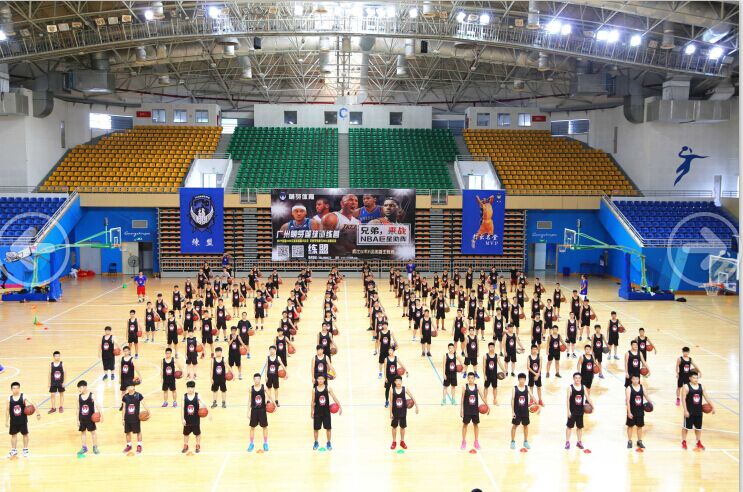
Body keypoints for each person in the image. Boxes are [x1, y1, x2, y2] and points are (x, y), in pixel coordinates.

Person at [681, 371, 714, 450]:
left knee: (698, 428)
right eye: (694, 378)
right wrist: (685, 410)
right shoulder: (686, 387)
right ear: (690, 378)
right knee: (686, 428)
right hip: (689, 411)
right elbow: (683, 399)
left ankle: (698, 442)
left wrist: (713, 406)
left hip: (699, 411)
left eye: (697, 378)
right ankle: (684, 441)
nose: (696, 379)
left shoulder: (701, 386)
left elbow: (707, 397)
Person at [6, 382, 41, 458]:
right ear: (11, 389)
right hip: (13, 421)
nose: (15, 389)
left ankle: (25, 449)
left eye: (17, 388)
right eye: (14, 388)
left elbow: (33, 403)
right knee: (13, 435)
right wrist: (6, 421)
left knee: (25, 434)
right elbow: (7, 410)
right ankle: (14, 450)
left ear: (19, 388)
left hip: (22, 420)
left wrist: (38, 413)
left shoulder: (23, 396)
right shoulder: (9, 398)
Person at [311, 374, 342, 451]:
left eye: (322, 379)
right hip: (317, 412)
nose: (320, 380)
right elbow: (312, 401)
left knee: (328, 428)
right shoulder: (314, 390)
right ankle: (316, 442)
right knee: (316, 429)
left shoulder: (328, 388)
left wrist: (340, 406)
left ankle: (328, 442)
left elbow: (334, 397)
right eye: (319, 379)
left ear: (324, 380)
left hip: (326, 412)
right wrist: (312, 411)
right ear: (317, 380)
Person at [460, 372, 488, 450]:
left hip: (475, 410)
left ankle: (476, 442)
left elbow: (482, 397)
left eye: (472, 378)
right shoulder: (465, 387)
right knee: (465, 425)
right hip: (467, 410)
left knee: (476, 425)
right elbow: (462, 399)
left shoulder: (477, 387)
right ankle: (463, 441)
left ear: (474, 379)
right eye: (469, 378)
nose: (470, 379)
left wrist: (487, 405)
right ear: (467, 379)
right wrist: (461, 410)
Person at [389, 376, 419, 450]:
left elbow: (412, 397)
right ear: (395, 382)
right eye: (397, 381)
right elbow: (391, 402)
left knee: (402, 427)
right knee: (394, 427)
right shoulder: (392, 390)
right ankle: (394, 442)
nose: (398, 382)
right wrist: (390, 413)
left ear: (401, 382)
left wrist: (416, 406)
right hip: (395, 411)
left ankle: (402, 441)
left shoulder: (405, 389)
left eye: (400, 381)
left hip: (403, 411)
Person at [565, 372, 592, 450]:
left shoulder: (583, 387)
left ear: (581, 379)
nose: (577, 379)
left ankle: (579, 442)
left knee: (579, 427)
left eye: (579, 378)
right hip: (572, 411)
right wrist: (568, 411)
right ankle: (567, 442)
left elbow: (588, 397)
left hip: (580, 411)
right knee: (569, 427)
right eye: (576, 378)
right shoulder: (570, 388)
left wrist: (592, 406)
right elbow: (567, 400)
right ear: (573, 379)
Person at [626, 374, 653, 449]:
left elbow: (646, 396)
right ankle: (629, 441)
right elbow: (627, 401)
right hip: (632, 410)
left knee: (640, 426)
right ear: (631, 380)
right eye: (634, 379)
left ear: (639, 379)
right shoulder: (629, 388)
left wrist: (651, 403)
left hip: (640, 410)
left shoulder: (642, 387)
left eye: (637, 379)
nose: (635, 380)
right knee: (630, 426)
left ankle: (639, 441)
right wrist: (629, 412)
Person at [510, 373, 537, 450]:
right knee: (514, 426)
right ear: (518, 380)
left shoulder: (527, 388)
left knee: (525, 426)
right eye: (520, 379)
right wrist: (512, 411)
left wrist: (537, 403)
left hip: (525, 411)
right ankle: (512, 441)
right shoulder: (514, 388)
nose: (522, 380)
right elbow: (512, 399)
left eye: (523, 379)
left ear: (525, 380)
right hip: (517, 411)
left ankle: (525, 441)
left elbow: (532, 396)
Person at [182, 380, 209, 453]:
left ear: (194, 388)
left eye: (191, 388)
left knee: (197, 433)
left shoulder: (198, 396)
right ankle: (185, 445)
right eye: (188, 388)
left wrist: (206, 409)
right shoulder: (184, 396)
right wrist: (182, 419)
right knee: (186, 433)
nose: (190, 389)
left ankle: (198, 445)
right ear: (187, 388)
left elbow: (204, 404)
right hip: (187, 419)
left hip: (195, 419)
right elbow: (182, 408)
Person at [248, 373, 272, 452]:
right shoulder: (251, 388)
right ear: (253, 380)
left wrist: (273, 404)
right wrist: (248, 411)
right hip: (254, 410)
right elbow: (249, 401)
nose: (257, 380)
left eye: (258, 379)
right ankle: (251, 443)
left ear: (260, 379)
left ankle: (265, 443)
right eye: (255, 379)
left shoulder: (263, 387)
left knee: (264, 427)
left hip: (262, 410)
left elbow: (269, 396)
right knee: (252, 428)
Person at [121, 383, 147, 454]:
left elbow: (144, 404)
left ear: (133, 387)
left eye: (130, 386)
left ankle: (139, 445)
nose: (128, 388)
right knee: (127, 432)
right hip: (127, 418)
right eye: (127, 387)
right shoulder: (125, 397)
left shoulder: (138, 395)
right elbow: (124, 408)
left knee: (138, 432)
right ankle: (129, 445)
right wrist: (123, 419)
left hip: (136, 418)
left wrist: (148, 412)